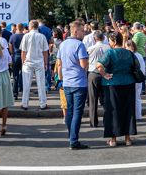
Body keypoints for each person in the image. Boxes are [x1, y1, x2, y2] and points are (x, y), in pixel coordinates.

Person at [96, 32, 138, 147]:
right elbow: (136, 66)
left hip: (112, 84)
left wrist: (105, 75)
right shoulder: (129, 53)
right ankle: (128, 139)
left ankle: (113, 139)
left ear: (114, 41)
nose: (109, 43)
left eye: (109, 41)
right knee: (128, 110)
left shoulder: (110, 52)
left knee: (112, 111)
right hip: (128, 83)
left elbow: (99, 65)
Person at [57, 21, 90, 150]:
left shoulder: (63, 44)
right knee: (77, 112)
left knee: (69, 111)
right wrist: (87, 60)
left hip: (67, 82)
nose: (84, 33)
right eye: (82, 31)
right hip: (79, 82)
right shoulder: (80, 45)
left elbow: (59, 63)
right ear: (76, 31)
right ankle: (74, 140)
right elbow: (83, 65)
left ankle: (71, 136)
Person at [20, 20, 50, 110]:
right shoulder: (42, 36)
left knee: (26, 84)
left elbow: (23, 51)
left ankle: (24, 104)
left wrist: (23, 62)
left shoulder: (26, 36)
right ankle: (43, 104)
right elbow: (45, 51)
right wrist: (45, 62)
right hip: (39, 61)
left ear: (30, 27)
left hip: (28, 62)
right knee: (41, 84)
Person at [86, 31, 109, 128]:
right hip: (105, 74)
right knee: (106, 99)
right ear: (103, 38)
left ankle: (93, 122)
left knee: (93, 99)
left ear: (94, 39)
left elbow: (86, 61)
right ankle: (107, 120)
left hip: (93, 73)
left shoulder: (90, 48)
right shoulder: (108, 48)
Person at [9, 23, 25, 100]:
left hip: (15, 56)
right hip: (24, 56)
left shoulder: (13, 36)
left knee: (15, 75)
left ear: (16, 28)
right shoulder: (25, 36)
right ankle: (22, 89)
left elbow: (10, 45)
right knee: (24, 74)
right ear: (22, 28)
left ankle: (15, 93)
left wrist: (12, 53)